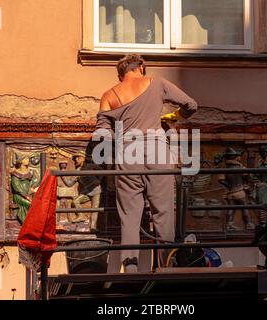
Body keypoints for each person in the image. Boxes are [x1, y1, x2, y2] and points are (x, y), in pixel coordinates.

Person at [96, 54, 198, 272]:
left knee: (130, 217)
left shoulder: (109, 95)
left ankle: (131, 269)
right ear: (141, 67)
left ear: (120, 74)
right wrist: (173, 117)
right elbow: (191, 105)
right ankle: (167, 267)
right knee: (163, 213)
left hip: (127, 155)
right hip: (157, 152)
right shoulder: (157, 83)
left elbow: (102, 129)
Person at [60, 150, 102, 232]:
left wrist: (99, 180)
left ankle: (93, 227)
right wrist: (62, 175)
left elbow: (102, 171)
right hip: (87, 192)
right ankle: (81, 216)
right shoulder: (77, 171)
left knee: (95, 209)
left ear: (83, 158)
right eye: (75, 158)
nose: (76, 160)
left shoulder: (91, 166)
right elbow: (69, 184)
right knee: (75, 201)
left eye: (77, 158)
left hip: (96, 190)